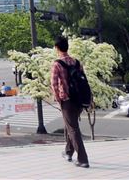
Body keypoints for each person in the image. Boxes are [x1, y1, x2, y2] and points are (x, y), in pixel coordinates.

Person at [51, 36, 89, 168]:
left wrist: (58, 99)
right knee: (70, 125)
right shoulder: (77, 62)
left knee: (73, 128)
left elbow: (54, 84)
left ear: (57, 48)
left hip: (67, 101)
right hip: (79, 100)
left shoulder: (57, 64)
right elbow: (84, 81)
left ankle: (83, 159)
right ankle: (68, 152)